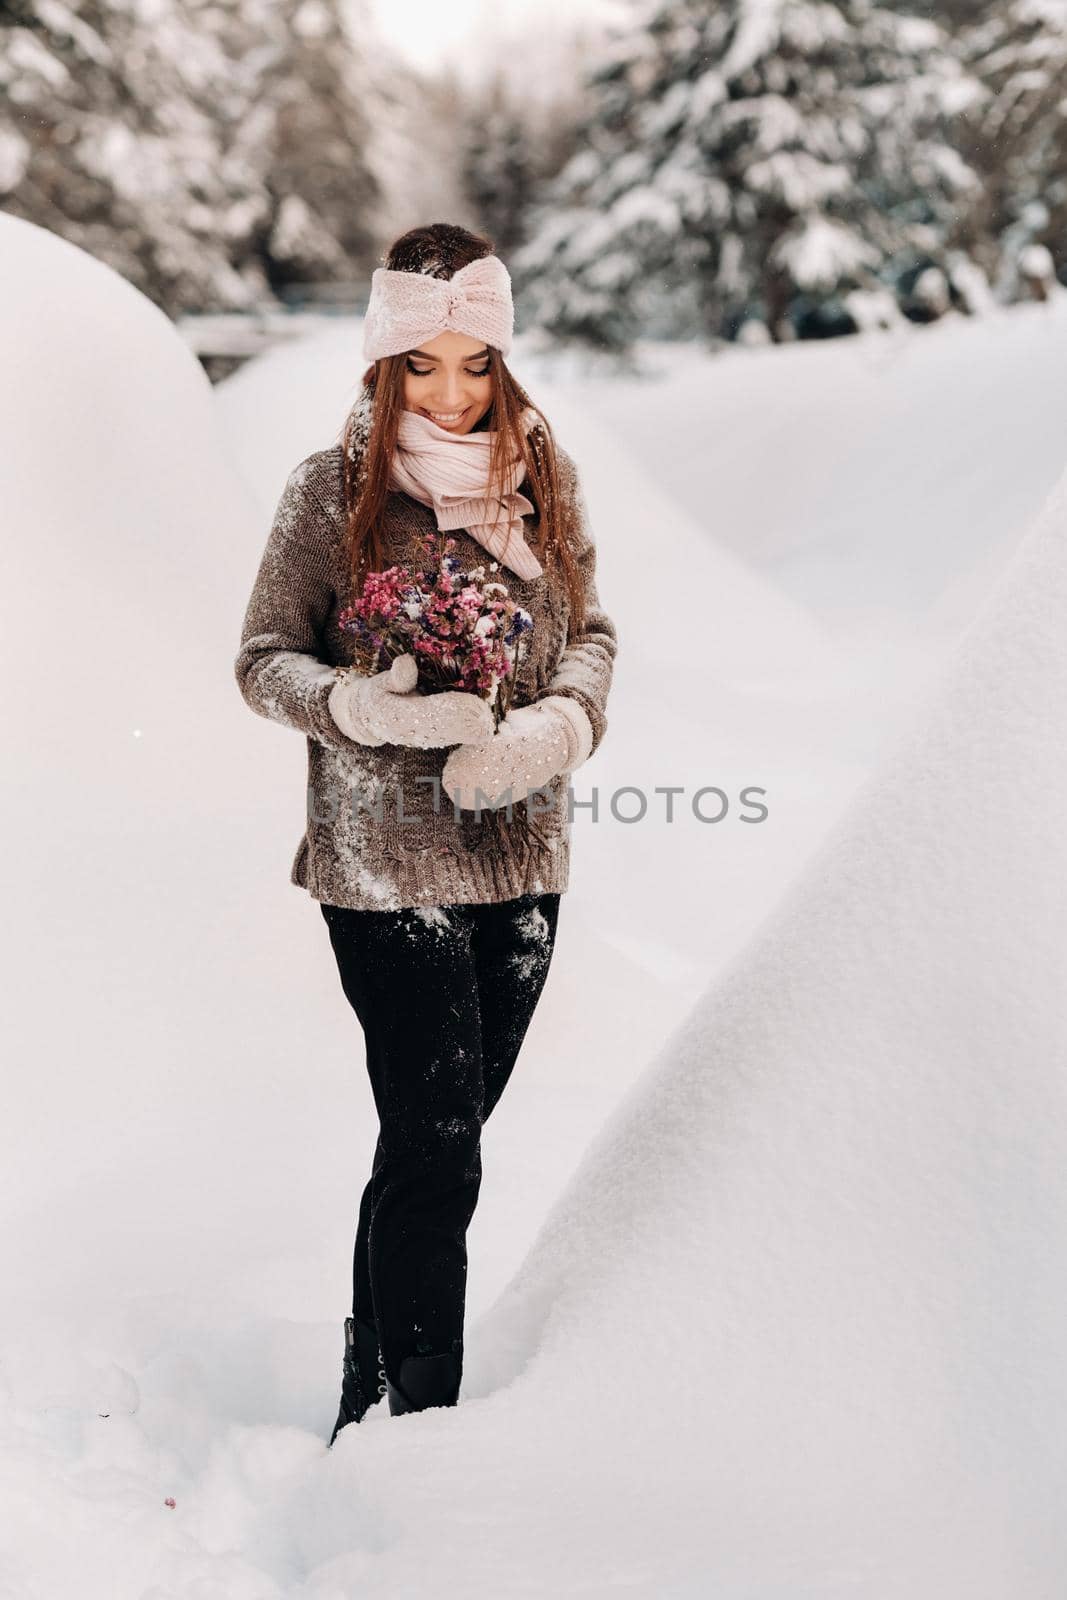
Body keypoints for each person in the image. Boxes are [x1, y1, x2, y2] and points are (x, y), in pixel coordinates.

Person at [234, 221, 618, 1431]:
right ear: (381, 361)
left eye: (475, 364)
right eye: (422, 364)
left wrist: (558, 726)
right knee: (441, 1143)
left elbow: (595, 636)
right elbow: (260, 662)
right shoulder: (329, 491)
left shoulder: (540, 480)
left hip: (520, 854)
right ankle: (422, 1425)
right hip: (383, 862)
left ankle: (365, 1388)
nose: (452, 395)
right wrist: (352, 703)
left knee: (426, 1147)